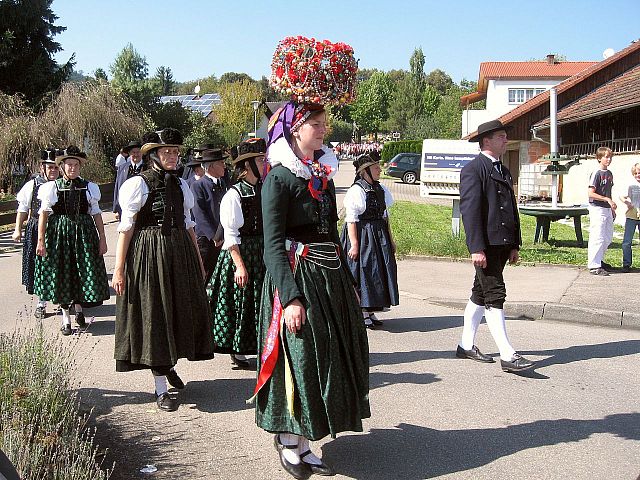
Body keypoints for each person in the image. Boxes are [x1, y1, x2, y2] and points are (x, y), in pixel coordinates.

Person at [255, 101, 370, 478]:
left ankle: (307, 441)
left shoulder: (322, 173)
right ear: (294, 129)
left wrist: (349, 282)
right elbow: (271, 246)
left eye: (324, 124)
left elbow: (330, 235)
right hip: (298, 277)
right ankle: (290, 441)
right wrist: (289, 297)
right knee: (301, 360)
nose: (323, 130)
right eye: (316, 124)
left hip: (329, 278)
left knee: (326, 361)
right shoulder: (279, 178)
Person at [112, 128, 215, 412]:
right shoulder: (138, 185)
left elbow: (189, 224)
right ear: (154, 155)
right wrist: (119, 269)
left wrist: (198, 260)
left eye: (176, 152)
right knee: (156, 315)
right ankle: (160, 389)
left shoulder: (182, 186)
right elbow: (126, 229)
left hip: (179, 251)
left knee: (180, 312)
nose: (173, 156)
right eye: (167, 152)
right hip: (149, 253)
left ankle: (168, 364)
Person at [457, 119, 535, 373]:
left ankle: (466, 345)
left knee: (480, 294)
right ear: (486, 141)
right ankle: (508, 355)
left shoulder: (502, 169)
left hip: (501, 243)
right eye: (501, 137)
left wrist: (515, 244)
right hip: (486, 245)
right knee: (494, 295)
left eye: (504, 136)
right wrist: (476, 248)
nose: (505, 140)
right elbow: (470, 212)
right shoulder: (473, 169)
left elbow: (511, 208)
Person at [33, 146, 110, 335]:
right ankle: (66, 319)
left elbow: (97, 214)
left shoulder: (89, 187)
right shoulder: (52, 187)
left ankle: (79, 311)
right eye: (69, 165)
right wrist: (41, 240)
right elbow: (43, 214)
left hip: (84, 234)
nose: (73, 168)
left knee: (81, 271)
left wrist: (102, 239)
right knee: (63, 273)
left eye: (76, 165)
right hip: (59, 235)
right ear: (62, 166)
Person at [207, 138, 267, 370]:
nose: (263, 164)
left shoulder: (263, 188)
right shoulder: (234, 194)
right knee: (241, 302)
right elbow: (230, 234)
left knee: (261, 301)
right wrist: (239, 265)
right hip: (240, 252)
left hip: (261, 252)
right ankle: (238, 350)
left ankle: (262, 346)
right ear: (247, 165)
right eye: (260, 160)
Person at [341, 152, 399, 329]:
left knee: (377, 273)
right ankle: (362, 312)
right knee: (364, 272)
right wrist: (355, 244)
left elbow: (385, 216)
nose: (379, 170)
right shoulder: (357, 190)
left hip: (378, 235)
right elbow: (351, 219)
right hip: (362, 235)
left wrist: (391, 239)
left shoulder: (380, 189)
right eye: (375, 167)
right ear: (365, 171)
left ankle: (370, 310)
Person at [12, 149, 60, 318]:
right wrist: (18, 229)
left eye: (56, 167)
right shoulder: (33, 185)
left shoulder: (63, 184)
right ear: (42, 168)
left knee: (59, 265)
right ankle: (41, 303)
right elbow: (23, 208)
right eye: (50, 167)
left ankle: (62, 300)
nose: (53, 171)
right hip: (35, 228)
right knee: (39, 265)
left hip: (58, 230)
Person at [191, 148, 229, 284]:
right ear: (211, 166)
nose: (224, 166)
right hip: (207, 240)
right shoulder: (198, 185)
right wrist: (213, 236)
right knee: (204, 273)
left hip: (223, 236)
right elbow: (199, 213)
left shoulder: (223, 184)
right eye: (221, 162)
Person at [587, 147, 616, 275]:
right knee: (597, 236)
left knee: (607, 237)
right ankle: (594, 265)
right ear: (599, 158)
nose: (608, 159)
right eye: (606, 157)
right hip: (597, 208)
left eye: (610, 157)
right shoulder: (596, 173)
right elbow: (590, 193)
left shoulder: (609, 174)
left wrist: (611, 206)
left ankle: (600, 260)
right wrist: (606, 199)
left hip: (606, 208)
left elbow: (609, 191)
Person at [113, 140, 144, 221]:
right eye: (133, 152)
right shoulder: (122, 168)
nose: (136, 154)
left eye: (138, 152)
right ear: (130, 153)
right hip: (125, 208)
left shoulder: (148, 167)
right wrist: (116, 209)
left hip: (143, 208)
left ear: (142, 153)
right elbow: (117, 188)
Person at [620, 163, 640, 273]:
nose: (638, 175)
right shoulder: (631, 185)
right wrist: (627, 203)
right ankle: (626, 264)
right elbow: (621, 196)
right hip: (631, 216)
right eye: (635, 173)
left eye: (639, 173)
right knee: (627, 242)